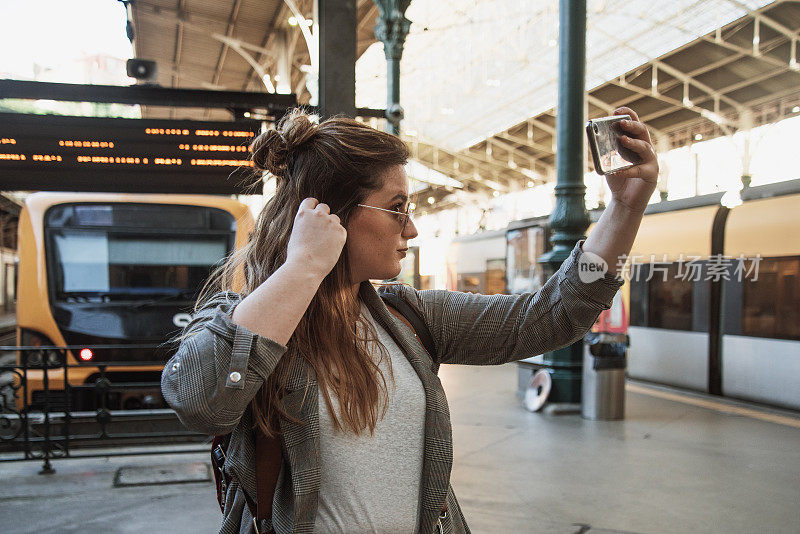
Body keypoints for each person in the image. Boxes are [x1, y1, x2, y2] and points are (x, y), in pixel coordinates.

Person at [161, 106, 658, 534]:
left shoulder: (408, 318)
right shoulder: (241, 319)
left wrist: (623, 209)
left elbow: (544, 319)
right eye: (397, 208)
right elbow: (199, 402)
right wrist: (303, 267)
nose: (413, 227)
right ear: (330, 215)